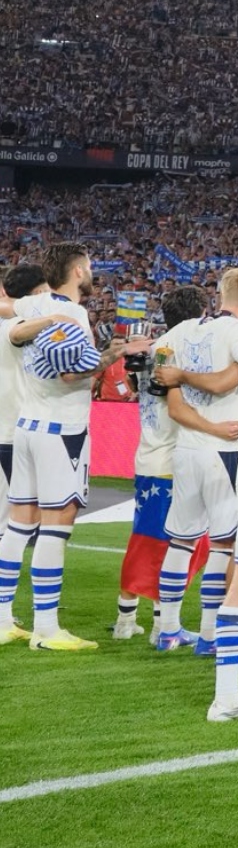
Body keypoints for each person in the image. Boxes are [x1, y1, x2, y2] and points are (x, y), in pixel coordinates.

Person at [2, 244, 127, 650]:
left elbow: (18, 332)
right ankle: (46, 628)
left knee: (19, 523)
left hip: (27, 425)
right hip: (61, 429)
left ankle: (3, 618)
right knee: (56, 527)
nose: (91, 272)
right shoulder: (69, 313)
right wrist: (113, 356)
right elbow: (72, 375)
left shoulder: (29, 305)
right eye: (89, 266)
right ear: (77, 270)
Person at [156, 266, 238, 654]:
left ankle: (167, 631)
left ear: (219, 293)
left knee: (181, 541)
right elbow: (222, 383)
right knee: (223, 544)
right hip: (225, 448)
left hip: (187, 447)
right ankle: (208, 634)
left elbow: (172, 399)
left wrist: (181, 377)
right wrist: (218, 428)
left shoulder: (180, 332)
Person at [113, 284, 204, 641]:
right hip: (171, 461)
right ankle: (154, 625)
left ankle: (139, 620)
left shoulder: (146, 351)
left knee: (150, 542)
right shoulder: (177, 353)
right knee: (165, 544)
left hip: (149, 457)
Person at [0, 262, 51, 644]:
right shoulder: (15, 328)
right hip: (13, 433)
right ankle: (3, 614)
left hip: (8, 431)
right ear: (36, 293)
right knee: (13, 524)